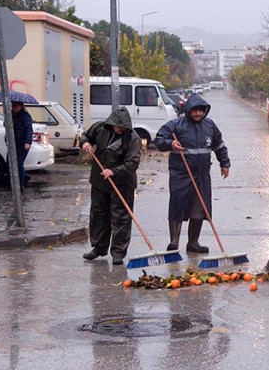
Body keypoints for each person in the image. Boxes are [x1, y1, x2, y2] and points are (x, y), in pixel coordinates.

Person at [153, 94, 230, 253]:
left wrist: (224, 163)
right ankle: (174, 241)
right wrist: (171, 143)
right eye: (195, 111)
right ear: (188, 110)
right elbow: (159, 139)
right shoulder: (176, 125)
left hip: (202, 175)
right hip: (180, 173)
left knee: (199, 207)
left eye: (201, 111)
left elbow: (219, 146)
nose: (198, 114)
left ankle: (193, 242)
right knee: (177, 205)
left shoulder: (210, 126)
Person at [80, 106, 140, 265]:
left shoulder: (133, 138)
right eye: (118, 126)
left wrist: (113, 171)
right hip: (100, 181)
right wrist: (85, 142)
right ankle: (99, 247)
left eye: (123, 127)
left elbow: (133, 163)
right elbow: (85, 136)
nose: (120, 129)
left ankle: (118, 252)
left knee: (121, 218)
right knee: (99, 214)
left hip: (122, 184)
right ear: (111, 123)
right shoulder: (99, 128)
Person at [11, 100, 34, 187]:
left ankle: (20, 184)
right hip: (13, 142)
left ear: (21, 106)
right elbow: (6, 124)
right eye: (12, 106)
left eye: (15, 106)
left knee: (18, 163)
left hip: (21, 142)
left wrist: (27, 142)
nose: (13, 108)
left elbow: (29, 130)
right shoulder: (11, 115)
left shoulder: (25, 116)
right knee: (10, 162)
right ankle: (24, 177)